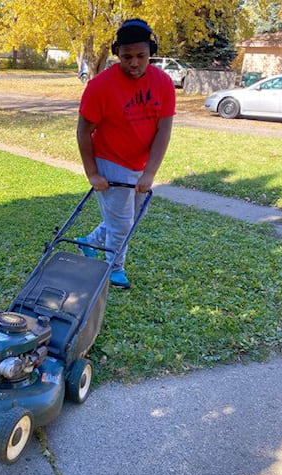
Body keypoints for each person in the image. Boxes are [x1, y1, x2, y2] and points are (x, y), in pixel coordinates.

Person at [76, 18, 176, 289]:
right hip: (110, 159)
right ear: (117, 54)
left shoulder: (164, 83)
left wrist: (150, 172)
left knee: (128, 220)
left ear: (150, 52)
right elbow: (83, 132)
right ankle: (113, 267)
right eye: (126, 56)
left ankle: (90, 242)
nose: (134, 63)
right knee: (122, 224)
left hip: (140, 162)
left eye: (141, 56)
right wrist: (93, 173)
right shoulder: (100, 86)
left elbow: (163, 130)